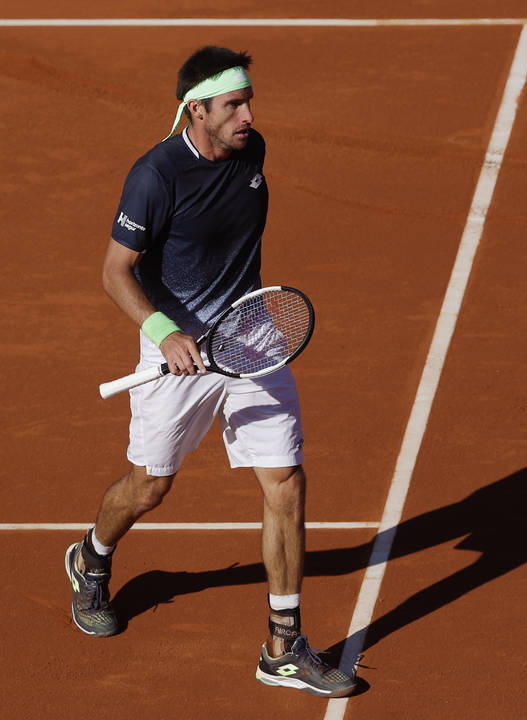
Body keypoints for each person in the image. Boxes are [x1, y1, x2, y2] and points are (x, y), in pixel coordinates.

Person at [63, 45, 355, 699]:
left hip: (250, 338)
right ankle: (91, 555)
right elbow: (116, 271)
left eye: (248, 101)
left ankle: (283, 645)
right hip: (174, 348)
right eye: (233, 105)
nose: (248, 115)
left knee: (285, 482)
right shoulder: (155, 176)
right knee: (149, 487)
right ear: (196, 110)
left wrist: (226, 325)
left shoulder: (251, 151)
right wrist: (166, 334)